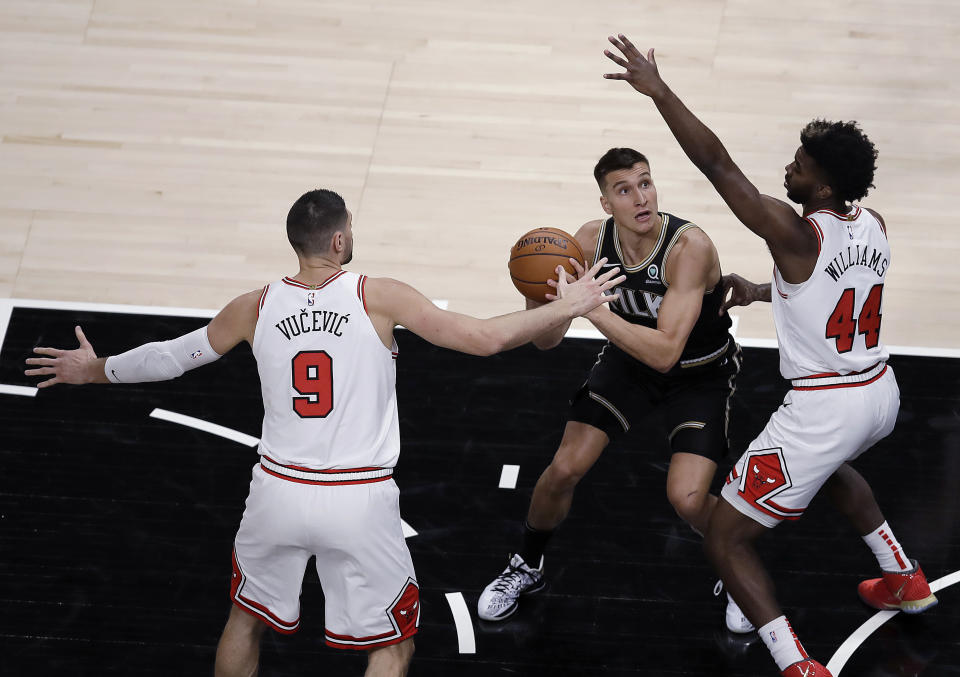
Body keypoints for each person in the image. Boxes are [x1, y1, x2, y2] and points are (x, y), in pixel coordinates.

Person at [24, 189, 624, 677]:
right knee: (392, 647)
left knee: (244, 621)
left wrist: (95, 369)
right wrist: (571, 306)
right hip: (358, 499)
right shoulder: (376, 296)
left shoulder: (254, 305)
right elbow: (484, 339)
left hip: (276, 492)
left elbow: (172, 357)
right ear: (340, 240)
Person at [603, 34, 937, 677]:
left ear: (823, 183)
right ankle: (903, 575)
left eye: (801, 164)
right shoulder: (875, 225)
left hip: (825, 407)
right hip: (879, 393)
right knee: (831, 468)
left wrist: (661, 92)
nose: (790, 168)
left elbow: (718, 166)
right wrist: (763, 290)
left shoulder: (793, 230)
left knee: (726, 538)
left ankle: (796, 664)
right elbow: (838, 289)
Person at [477, 147, 748, 631]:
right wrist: (540, 295)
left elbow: (666, 352)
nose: (641, 197)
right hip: (629, 363)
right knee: (563, 468)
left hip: (698, 373)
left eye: (645, 183)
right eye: (625, 189)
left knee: (686, 498)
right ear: (607, 203)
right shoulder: (586, 241)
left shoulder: (690, 248)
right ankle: (526, 565)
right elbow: (547, 341)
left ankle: (738, 567)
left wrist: (592, 310)